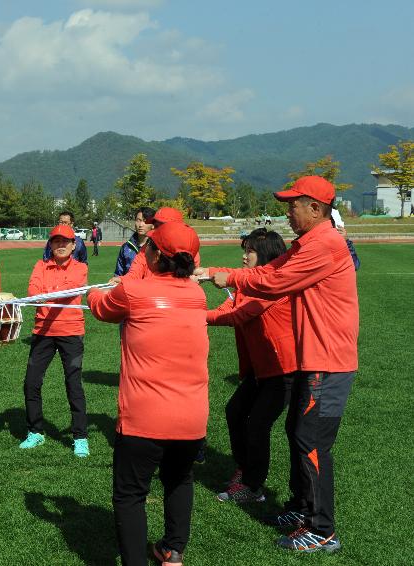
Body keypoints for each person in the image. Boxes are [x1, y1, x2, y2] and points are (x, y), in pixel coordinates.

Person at [202, 175, 359, 553]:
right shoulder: (307, 242)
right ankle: (302, 508)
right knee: (298, 433)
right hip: (314, 358)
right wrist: (215, 273)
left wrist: (230, 277)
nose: (287, 211)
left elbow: (276, 282)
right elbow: (270, 271)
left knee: (311, 442)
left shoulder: (325, 244)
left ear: (316, 209)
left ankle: (322, 530)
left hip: (327, 359)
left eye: (294, 205)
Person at [88, 221, 208, 566]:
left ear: (156, 254)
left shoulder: (133, 292)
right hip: (191, 418)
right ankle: (172, 551)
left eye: (149, 246)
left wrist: (100, 290)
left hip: (144, 418)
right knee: (180, 479)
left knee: (130, 495)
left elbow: (101, 307)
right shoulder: (196, 294)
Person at [206, 229, 296, 504]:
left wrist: (195, 317)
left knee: (257, 423)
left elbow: (238, 315)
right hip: (261, 370)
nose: (244, 257)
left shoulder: (272, 285)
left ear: (266, 255)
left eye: (250, 252)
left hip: (284, 370)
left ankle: (253, 487)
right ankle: (245, 470)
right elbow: (227, 307)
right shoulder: (250, 284)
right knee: (235, 411)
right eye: (244, 251)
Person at [19, 224, 90, 457]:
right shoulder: (40, 265)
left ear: (73, 245)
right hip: (43, 332)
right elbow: (33, 292)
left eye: (65, 242)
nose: (60, 245)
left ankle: (80, 437)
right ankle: (35, 432)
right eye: (56, 241)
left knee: (73, 384)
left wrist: (47, 292)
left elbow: (70, 289)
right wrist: (47, 292)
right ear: (50, 244)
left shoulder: (80, 268)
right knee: (31, 382)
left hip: (71, 332)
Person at [123, 207, 201, 281]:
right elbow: (135, 271)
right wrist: (122, 279)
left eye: (162, 226)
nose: (157, 230)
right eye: (156, 226)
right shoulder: (148, 246)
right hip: (150, 291)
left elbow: (189, 275)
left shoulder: (188, 251)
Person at [114, 207, 155, 277]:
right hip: (129, 286)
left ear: (153, 225)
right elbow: (118, 274)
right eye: (138, 220)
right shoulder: (126, 247)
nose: (141, 225)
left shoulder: (157, 248)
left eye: (145, 221)